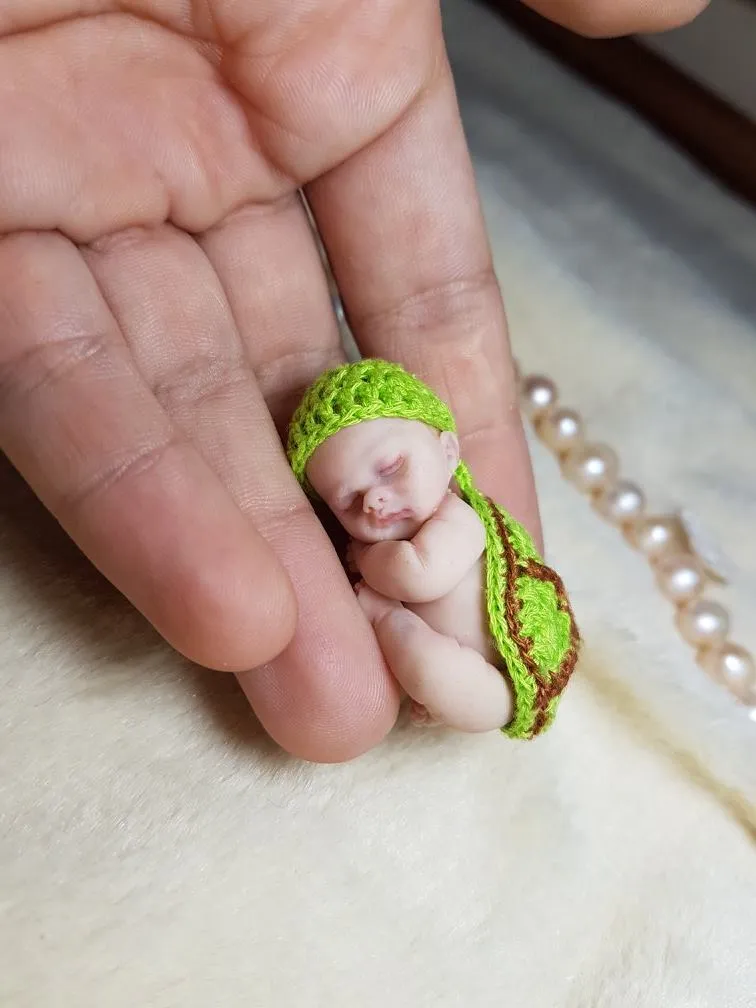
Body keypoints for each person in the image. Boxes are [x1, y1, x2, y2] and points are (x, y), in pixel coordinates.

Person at [0, 0, 708, 762]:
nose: (373, 500)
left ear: (446, 447)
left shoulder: (462, 521)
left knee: (424, 657)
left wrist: (384, 579)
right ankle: (433, 675)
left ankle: (451, 681)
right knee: (391, 657)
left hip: (504, 661)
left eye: (391, 467)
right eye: (348, 500)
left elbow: (424, 567)